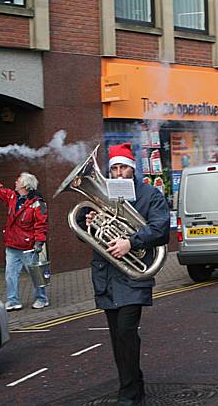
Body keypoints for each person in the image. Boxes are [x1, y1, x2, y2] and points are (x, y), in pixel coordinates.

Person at [77, 143, 169, 406]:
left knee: (127, 332)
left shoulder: (150, 195)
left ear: (132, 169)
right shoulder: (102, 194)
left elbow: (161, 229)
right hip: (106, 276)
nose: (118, 174)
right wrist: (90, 222)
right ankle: (133, 384)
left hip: (133, 275)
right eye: (114, 169)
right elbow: (85, 235)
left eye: (123, 168)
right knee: (117, 337)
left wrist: (131, 242)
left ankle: (128, 393)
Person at [0, 168, 49, 311]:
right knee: (10, 275)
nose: (15, 182)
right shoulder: (13, 197)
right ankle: (13, 301)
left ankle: (42, 299)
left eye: (18, 181)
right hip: (12, 245)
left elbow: (41, 224)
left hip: (28, 247)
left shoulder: (38, 203)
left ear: (24, 185)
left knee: (35, 275)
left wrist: (39, 242)